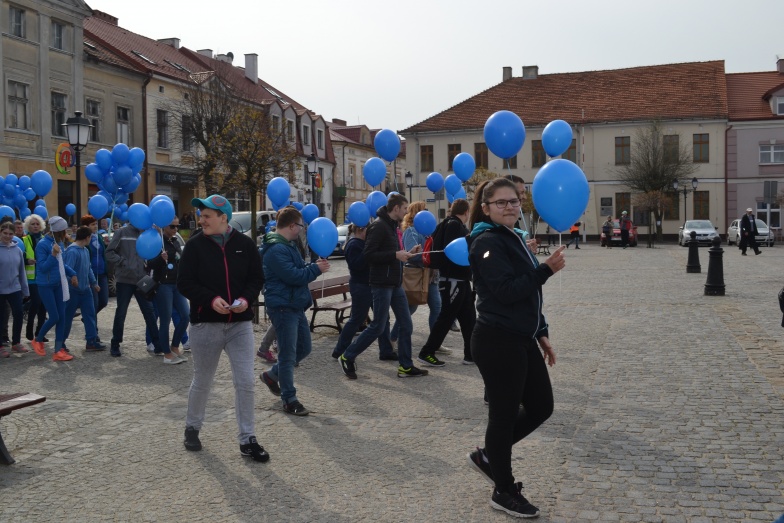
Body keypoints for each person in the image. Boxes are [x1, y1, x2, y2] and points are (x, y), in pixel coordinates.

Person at [465, 177, 565, 518]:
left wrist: (541, 331)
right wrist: (546, 270)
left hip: (522, 338)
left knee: (541, 406)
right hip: (497, 341)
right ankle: (503, 490)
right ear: (486, 207)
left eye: (514, 201)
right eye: (502, 202)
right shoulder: (485, 241)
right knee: (503, 416)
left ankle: (489, 457)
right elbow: (507, 291)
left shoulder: (512, 238)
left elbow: (528, 298)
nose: (510, 206)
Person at [177, 194, 268, 462]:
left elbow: (256, 278)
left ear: (223, 218)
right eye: (200, 215)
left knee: (245, 381)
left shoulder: (245, 245)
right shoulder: (194, 247)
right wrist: (211, 299)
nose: (200, 220)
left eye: (206, 216)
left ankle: (247, 439)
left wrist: (245, 300)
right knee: (203, 380)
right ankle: (192, 427)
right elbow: (184, 283)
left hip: (239, 325)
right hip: (206, 324)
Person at [339, 193, 429, 380]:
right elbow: (369, 255)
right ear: (396, 208)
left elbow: (391, 253)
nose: (406, 213)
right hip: (381, 284)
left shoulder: (391, 226)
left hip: (394, 283)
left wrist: (408, 253)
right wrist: (395, 255)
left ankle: (405, 365)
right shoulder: (379, 226)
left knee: (406, 324)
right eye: (405, 209)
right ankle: (347, 355)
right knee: (378, 326)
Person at [259, 206, 329, 416]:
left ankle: (272, 375)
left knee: (304, 348)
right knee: (288, 355)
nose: (302, 229)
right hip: (282, 307)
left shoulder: (287, 246)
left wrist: (312, 267)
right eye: (300, 225)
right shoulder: (275, 249)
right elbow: (293, 276)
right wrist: (316, 269)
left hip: (294, 304)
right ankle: (289, 399)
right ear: (291, 225)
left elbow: (298, 271)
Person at [417, 198, 475, 366]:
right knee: (446, 318)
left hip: (459, 279)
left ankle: (470, 354)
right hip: (453, 280)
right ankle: (427, 352)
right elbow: (456, 253)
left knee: (469, 318)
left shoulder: (444, 225)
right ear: (466, 212)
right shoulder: (455, 226)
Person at [331, 224, 397, 360]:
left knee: (383, 319)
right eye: (369, 230)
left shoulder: (363, 244)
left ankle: (386, 351)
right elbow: (357, 265)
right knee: (357, 319)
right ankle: (340, 349)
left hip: (372, 285)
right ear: (362, 230)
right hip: (361, 286)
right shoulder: (354, 244)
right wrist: (369, 253)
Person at [105, 218, 160, 357]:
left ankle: (158, 344)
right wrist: (122, 262)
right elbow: (109, 252)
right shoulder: (122, 232)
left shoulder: (147, 232)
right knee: (121, 312)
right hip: (124, 280)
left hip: (141, 279)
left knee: (149, 312)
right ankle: (115, 344)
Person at [391, 201, 441, 347]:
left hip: (430, 275)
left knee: (436, 307)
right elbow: (412, 253)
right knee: (409, 309)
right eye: (424, 210)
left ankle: (434, 343)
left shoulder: (429, 232)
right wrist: (430, 257)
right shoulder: (411, 231)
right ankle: (393, 337)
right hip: (417, 275)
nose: (427, 212)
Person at [31, 216, 77, 362]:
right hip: (46, 285)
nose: (66, 233)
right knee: (55, 316)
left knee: (62, 317)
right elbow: (43, 267)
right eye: (63, 231)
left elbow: (61, 264)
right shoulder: (42, 245)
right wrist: (53, 254)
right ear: (57, 231)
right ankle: (37, 339)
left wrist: (72, 274)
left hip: (58, 284)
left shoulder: (59, 243)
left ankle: (58, 351)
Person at [147, 217, 189, 364]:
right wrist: (161, 258)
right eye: (172, 226)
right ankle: (166, 354)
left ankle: (175, 346)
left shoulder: (175, 241)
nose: (175, 229)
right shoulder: (158, 242)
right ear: (164, 226)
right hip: (163, 284)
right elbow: (149, 264)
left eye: (178, 226)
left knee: (185, 315)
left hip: (176, 284)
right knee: (165, 320)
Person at [62, 226, 104, 352]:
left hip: (86, 290)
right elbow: (67, 269)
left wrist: (94, 283)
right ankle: (61, 343)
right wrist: (72, 280)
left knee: (90, 315)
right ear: (87, 237)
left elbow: (89, 269)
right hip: (73, 291)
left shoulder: (85, 250)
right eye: (90, 237)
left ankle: (91, 341)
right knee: (67, 317)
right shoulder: (72, 251)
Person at [0, 222, 30, 358]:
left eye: (10, 234)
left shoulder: (17, 250)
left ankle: (16, 342)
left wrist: (25, 290)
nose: (7, 236)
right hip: (0, 290)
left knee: (18, 314)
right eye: (5, 233)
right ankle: (0, 345)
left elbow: (22, 271)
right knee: (1, 318)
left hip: (15, 288)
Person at [81, 215, 109, 342]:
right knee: (94, 304)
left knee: (104, 301)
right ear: (86, 226)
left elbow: (103, 253)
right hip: (91, 275)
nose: (95, 226)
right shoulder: (84, 240)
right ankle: (93, 334)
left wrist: (107, 245)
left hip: (102, 273)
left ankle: (87, 317)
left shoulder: (98, 237)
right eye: (92, 224)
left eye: (96, 224)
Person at [22, 214, 47, 342]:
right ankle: (29, 328)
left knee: (43, 306)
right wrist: (27, 261)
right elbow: (19, 259)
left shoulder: (44, 239)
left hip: (43, 277)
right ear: (28, 226)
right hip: (31, 278)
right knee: (36, 302)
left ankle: (40, 333)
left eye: (37, 224)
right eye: (33, 224)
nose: (35, 226)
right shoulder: (24, 240)